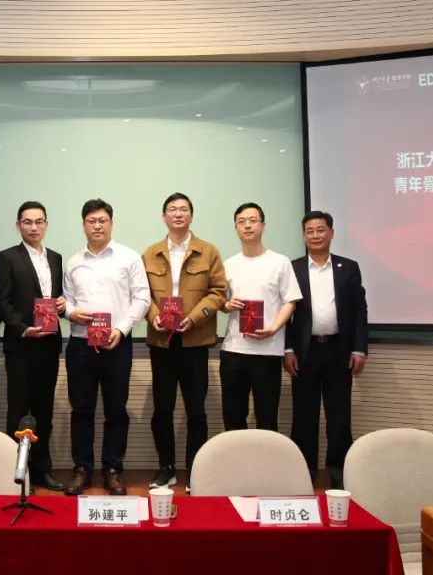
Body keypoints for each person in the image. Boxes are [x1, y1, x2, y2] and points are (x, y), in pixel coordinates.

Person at [62, 198, 149, 496]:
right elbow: (65, 301)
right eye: (91, 221)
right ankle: (82, 469)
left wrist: (122, 329)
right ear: (83, 224)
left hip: (116, 344)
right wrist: (71, 312)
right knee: (81, 410)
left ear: (111, 223)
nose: (97, 226)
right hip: (80, 345)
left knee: (116, 411)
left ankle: (113, 469)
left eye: (102, 220)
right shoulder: (73, 262)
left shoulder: (129, 257)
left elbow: (142, 298)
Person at [142, 193, 226, 490]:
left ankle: (195, 470)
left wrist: (195, 317)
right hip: (162, 342)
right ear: (163, 216)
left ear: (191, 215)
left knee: (196, 410)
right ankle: (166, 468)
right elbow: (141, 294)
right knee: (162, 409)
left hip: (195, 340)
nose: (178, 214)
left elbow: (218, 292)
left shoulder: (208, 251)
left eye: (183, 209)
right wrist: (154, 316)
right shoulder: (150, 253)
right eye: (172, 210)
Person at [287, 210, 368, 489]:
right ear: (303, 236)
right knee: (303, 417)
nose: (315, 235)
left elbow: (359, 310)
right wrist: (288, 349)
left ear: (331, 233)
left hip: (338, 351)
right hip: (305, 352)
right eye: (310, 231)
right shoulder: (294, 268)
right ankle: (304, 473)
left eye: (320, 230)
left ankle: (339, 475)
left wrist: (359, 349)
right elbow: (287, 312)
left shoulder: (349, 268)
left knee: (339, 417)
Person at [0, 201, 66, 492]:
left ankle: (41, 471)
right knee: (18, 412)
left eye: (39, 222)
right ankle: (17, 475)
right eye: (27, 222)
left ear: (46, 224)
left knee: (44, 413)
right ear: (18, 225)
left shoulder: (56, 258)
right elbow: (2, 301)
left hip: (49, 345)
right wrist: (23, 328)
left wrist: (63, 304)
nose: (33, 227)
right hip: (21, 346)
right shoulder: (7, 258)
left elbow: (58, 298)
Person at [219, 203, 302, 433]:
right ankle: (236, 456)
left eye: (253, 220)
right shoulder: (228, 264)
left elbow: (291, 301)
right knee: (233, 416)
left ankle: (265, 458)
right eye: (241, 221)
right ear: (236, 228)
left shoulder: (280, 262)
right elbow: (220, 302)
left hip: (268, 351)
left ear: (263, 226)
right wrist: (227, 305)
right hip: (234, 349)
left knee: (267, 417)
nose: (247, 225)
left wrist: (274, 328)